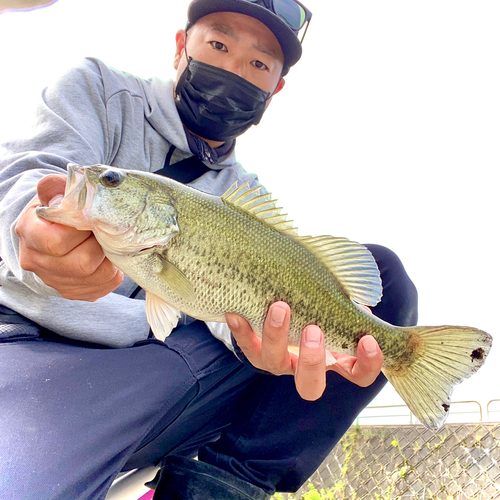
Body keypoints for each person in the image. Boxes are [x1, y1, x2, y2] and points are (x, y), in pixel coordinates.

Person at [0, 0, 418, 498]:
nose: (232, 70)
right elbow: (28, 178)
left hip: (160, 368)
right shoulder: (98, 90)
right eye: (218, 44)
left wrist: (270, 350)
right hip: (31, 351)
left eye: (258, 64)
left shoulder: (243, 196)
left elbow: (222, 314)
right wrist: (30, 228)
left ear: (274, 90)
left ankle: (219, 488)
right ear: (181, 48)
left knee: (384, 277)